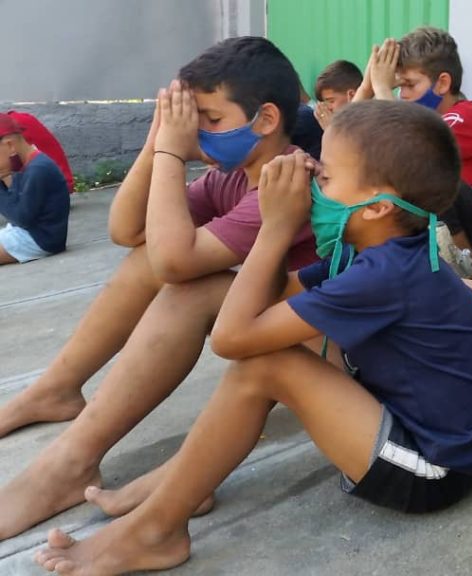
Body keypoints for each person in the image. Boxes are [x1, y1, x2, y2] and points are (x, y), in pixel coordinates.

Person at [32, 99, 472, 576]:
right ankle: (181, 485)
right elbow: (276, 294)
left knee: (265, 364)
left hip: (433, 470)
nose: (314, 187)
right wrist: (276, 219)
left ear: (378, 206)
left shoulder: (385, 275)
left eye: (325, 178)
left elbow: (233, 338)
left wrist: (275, 227)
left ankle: (155, 531)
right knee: (270, 344)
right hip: (405, 422)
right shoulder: (371, 252)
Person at [0, 36, 319, 540]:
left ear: (266, 120)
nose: (199, 131)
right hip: (285, 330)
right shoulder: (233, 178)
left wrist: (172, 150)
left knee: (188, 286)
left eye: (210, 119)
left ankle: (73, 461)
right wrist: (156, 142)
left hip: (332, 354)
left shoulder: (287, 181)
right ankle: (57, 391)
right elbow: (127, 231)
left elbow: (176, 263)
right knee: (146, 258)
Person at [364, 29, 472, 267]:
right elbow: (356, 145)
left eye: (409, 85)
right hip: (468, 222)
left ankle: (466, 261)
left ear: (442, 83)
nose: (403, 96)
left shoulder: (465, 117)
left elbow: (405, 151)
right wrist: (366, 88)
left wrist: (383, 90)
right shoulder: (424, 124)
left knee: (428, 175)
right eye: (398, 87)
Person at [0, 112, 70, 264]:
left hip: (38, 240)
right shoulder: (24, 164)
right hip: (24, 232)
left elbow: (21, 217)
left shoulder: (39, 169)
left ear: (10, 145)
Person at [7, 110, 74, 193]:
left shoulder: (13, 126)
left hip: (53, 188)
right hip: (57, 184)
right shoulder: (14, 121)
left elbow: (10, 168)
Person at [312, 59, 363, 128]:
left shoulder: (371, 123)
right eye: (324, 103)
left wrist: (331, 129)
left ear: (352, 95)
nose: (327, 108)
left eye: (331, 101)